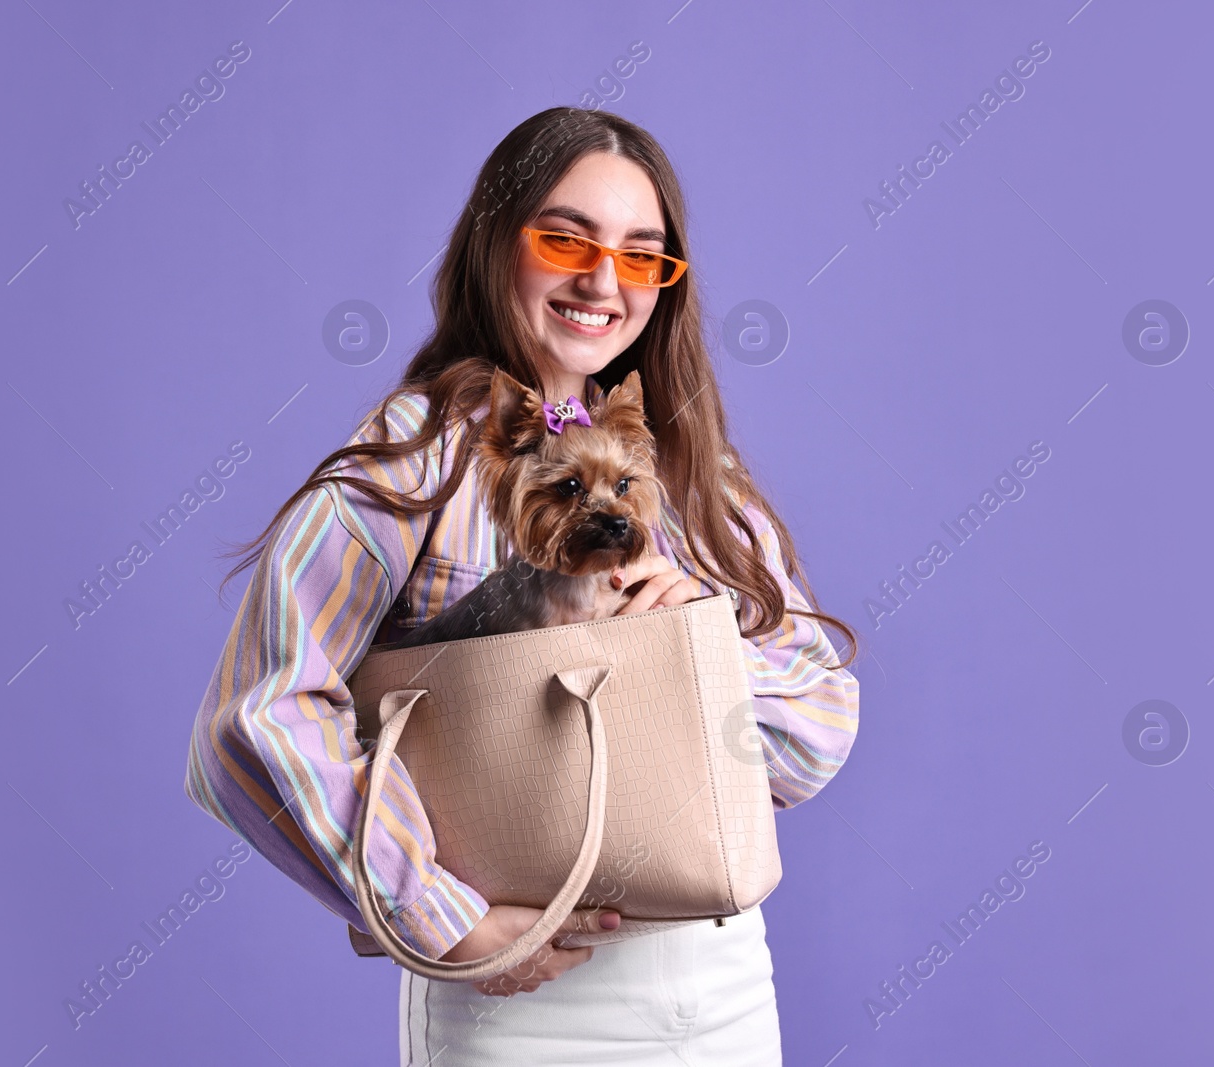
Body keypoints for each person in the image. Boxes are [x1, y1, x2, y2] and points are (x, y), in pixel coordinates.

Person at [184, 106, 860, 1065]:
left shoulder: (694, 474)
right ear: (495, 245)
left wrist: (703, 652)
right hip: (523, 1009)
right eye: (566, 238)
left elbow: (819, 726)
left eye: (642, 256)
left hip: (721, 989)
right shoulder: (411, 464)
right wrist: (439, 916)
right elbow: (256, 717)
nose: (601, 280)